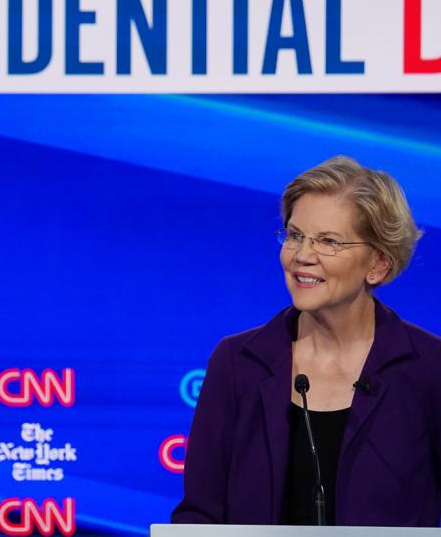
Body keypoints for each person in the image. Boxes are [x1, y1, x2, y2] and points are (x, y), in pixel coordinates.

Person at [172, 155, 440, 525]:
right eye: (295, 235)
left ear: (378, 263)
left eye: (328, 241)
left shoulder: (429, 369)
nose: (302, 256)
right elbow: (199, 515)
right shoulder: (237, 364)